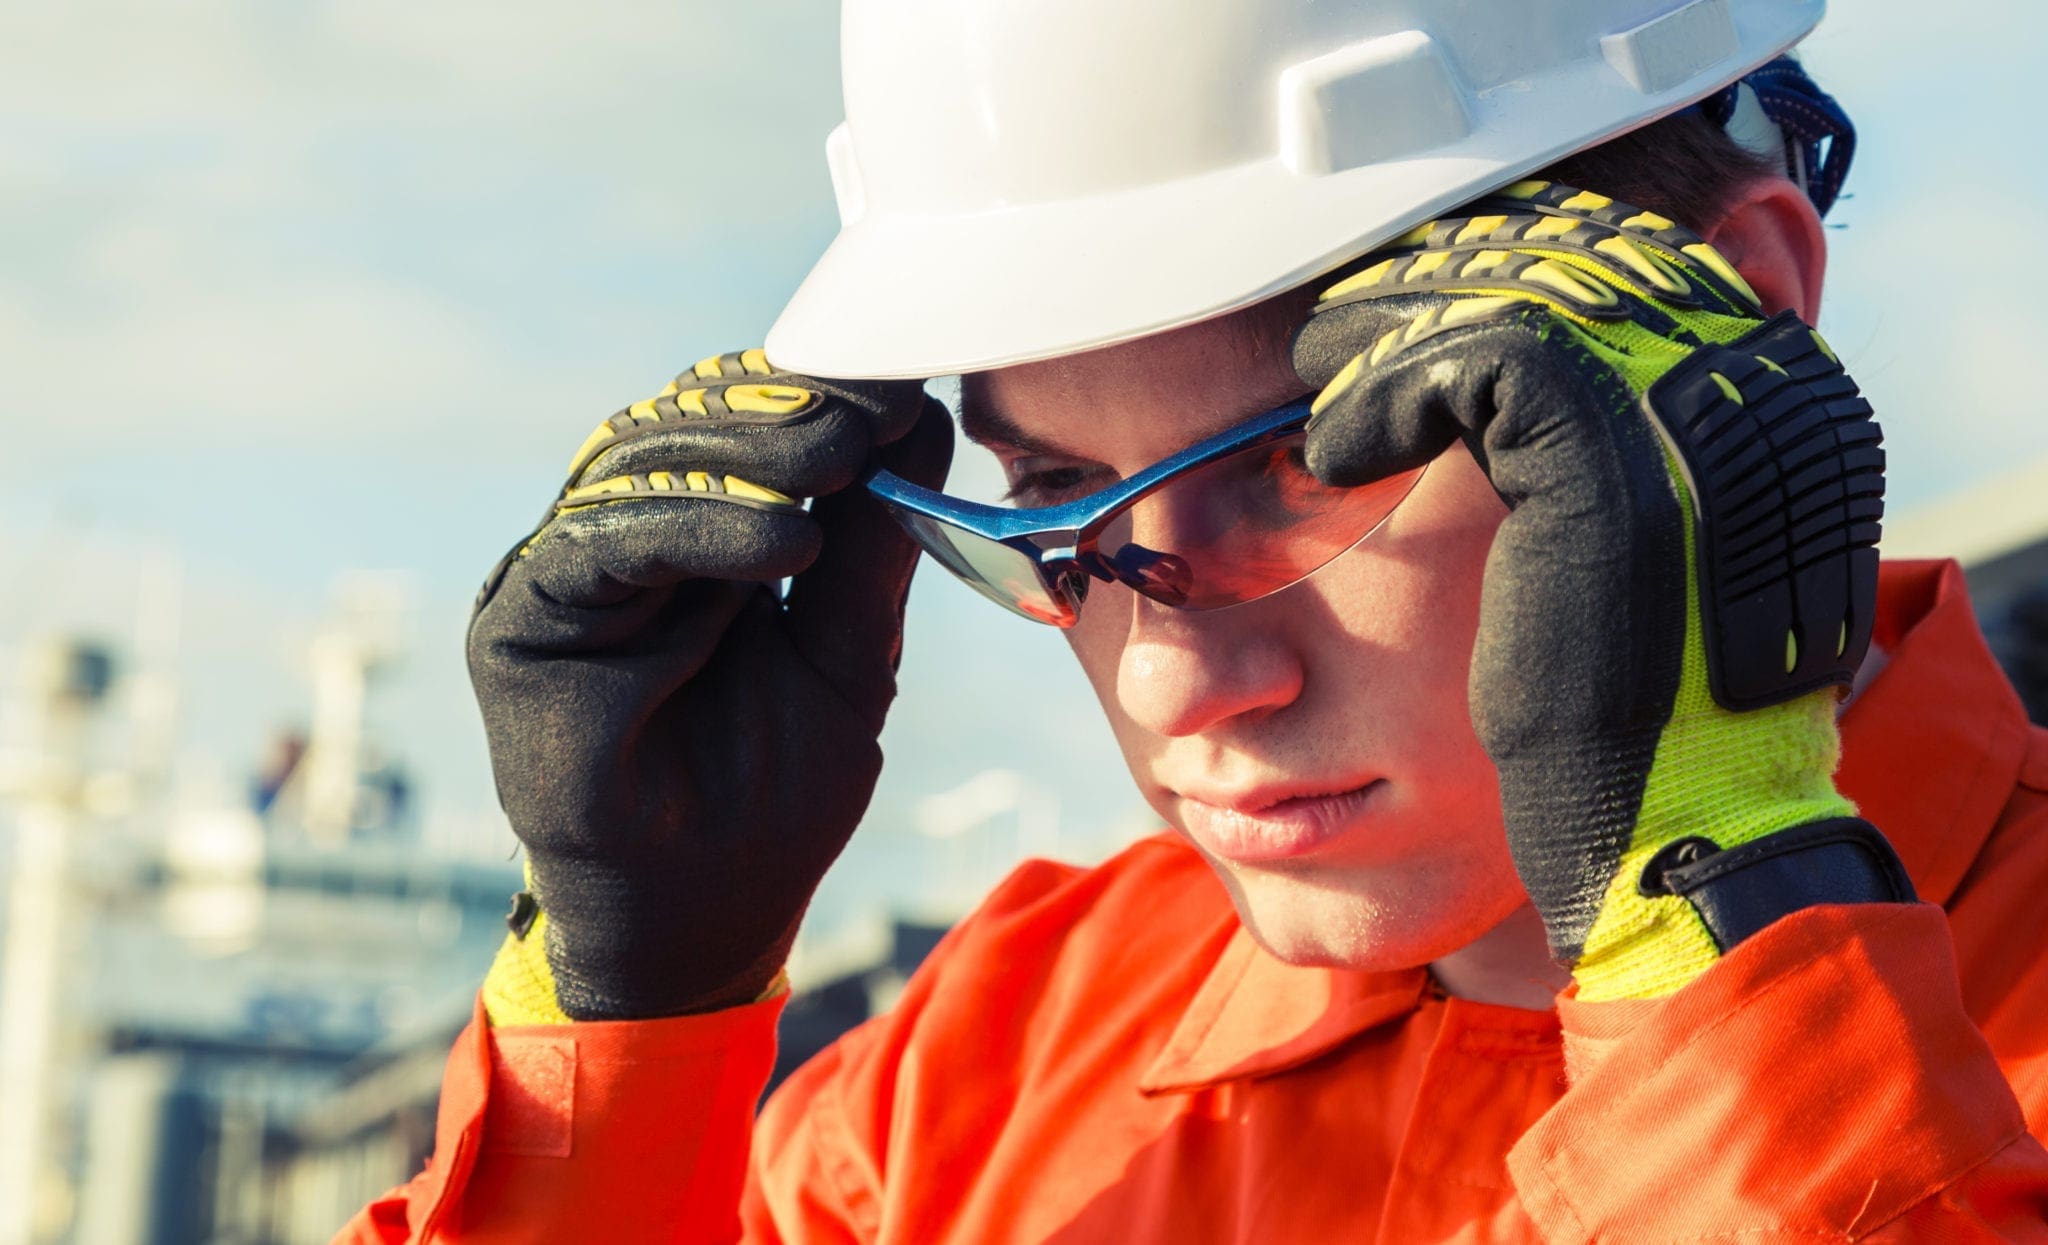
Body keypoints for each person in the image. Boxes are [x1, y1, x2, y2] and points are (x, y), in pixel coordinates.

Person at [344, 2, 2048, 1240]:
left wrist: (1725, 928)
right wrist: (621, 1046)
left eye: (1312, 460)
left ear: (1733, 326)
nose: (1174, 673)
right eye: (1057, 493)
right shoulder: (990, 1061)